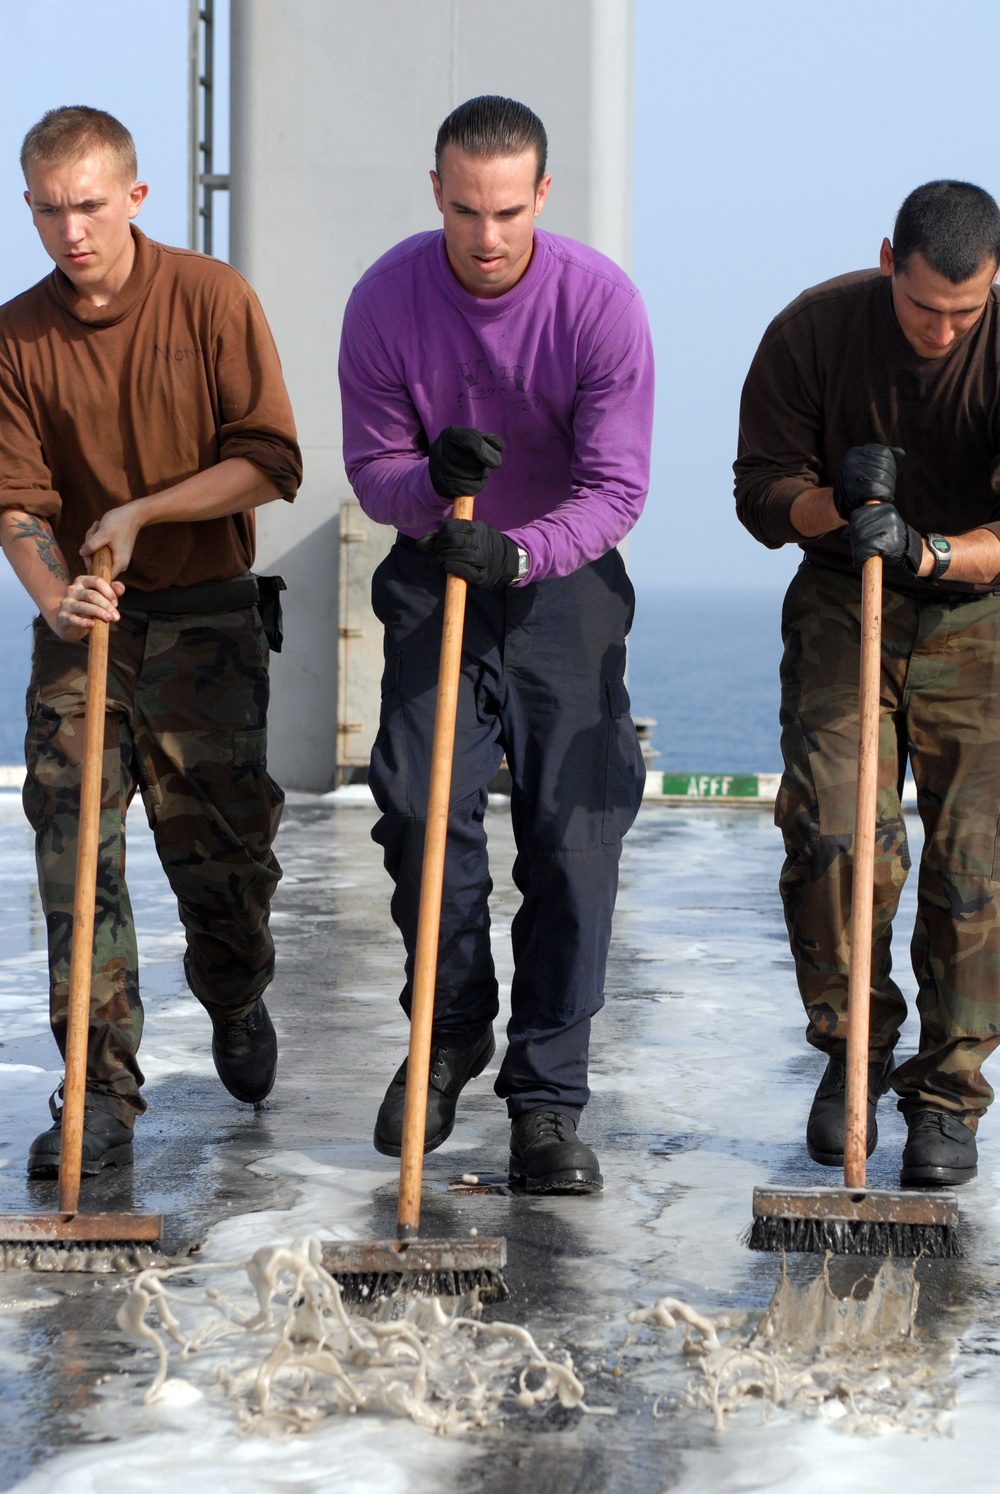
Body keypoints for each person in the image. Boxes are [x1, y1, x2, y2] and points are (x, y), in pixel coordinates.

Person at [338, 95, 653, 1192]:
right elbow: (372, 469)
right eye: (465, 209)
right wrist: (432, 487)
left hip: (557, 583)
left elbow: (617, 487)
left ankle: (547, 1101)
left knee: (574, 835)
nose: (485, 237)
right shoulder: (386, 298)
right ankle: (449, 1033)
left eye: (508, 211)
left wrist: (519, 554)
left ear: (542, 197)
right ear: (435, 191)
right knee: (422, 809)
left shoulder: (598, 304)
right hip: (436, 570)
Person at [0, 107, 302, 1177]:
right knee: (74, 857)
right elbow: (18, 502)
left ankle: (236, 988)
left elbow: (271, 459)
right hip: (87, 631)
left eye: (88, 204)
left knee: (220, 864)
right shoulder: (16, 334)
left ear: (133, 196)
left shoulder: (212, 299)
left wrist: (143, 513)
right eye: (46, 209)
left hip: (209, 617)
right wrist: (52, 597)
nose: (69, 230)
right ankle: (98, 1092)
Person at [735, 179, 1000, 1188]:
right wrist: (833, 508)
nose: (939, 330)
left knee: (975, 860)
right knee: (838, 834)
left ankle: (946, 1096)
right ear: (888, 258)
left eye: (961, 313)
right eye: (922, 305)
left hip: (978, 608)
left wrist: (930, 550)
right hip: (847, 597)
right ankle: (852, 1051)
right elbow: (757, 491)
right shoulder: (811, 330)